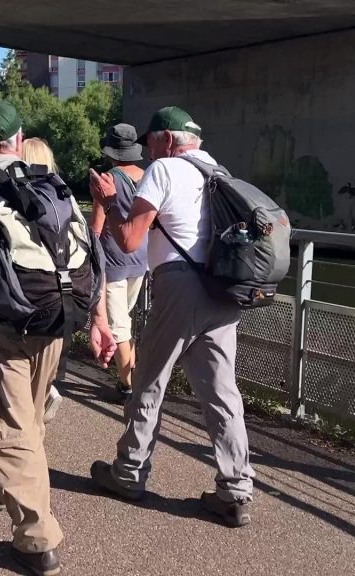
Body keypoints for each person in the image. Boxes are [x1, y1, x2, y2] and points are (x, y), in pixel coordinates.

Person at [0, 100, 115, 576]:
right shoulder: (52, 183)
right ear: (18, 137)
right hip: (56, 314)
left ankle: (37, 539)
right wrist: (100, 320)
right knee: (28, 416)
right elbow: (89, 253)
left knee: (4, 422)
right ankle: (4, 483)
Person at [87, 106, 255, 528]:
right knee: (221, 392)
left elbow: (128, 241)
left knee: (149, 381)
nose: (145, 149)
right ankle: (235, 491)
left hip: (181, 286)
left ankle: (129, 474)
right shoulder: (219, 171)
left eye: (149, 141)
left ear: (165, 139)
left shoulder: (163, 169)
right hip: (223, 287)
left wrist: (108, 201)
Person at [90, 124, 147, 402]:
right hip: (141, 258)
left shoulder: (107, 179)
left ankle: (127, 387)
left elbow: (97, 226)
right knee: (126, 320)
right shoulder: (148, 176)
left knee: (118, 327)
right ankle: (131, 373)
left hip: (113, 260)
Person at [20, 137, 65, 422]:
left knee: (19, 379)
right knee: (43, 372)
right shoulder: (63, 196)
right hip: (62, 298)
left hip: (27, 297)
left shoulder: (17, 196)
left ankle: (26, 447)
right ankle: (47, 392)